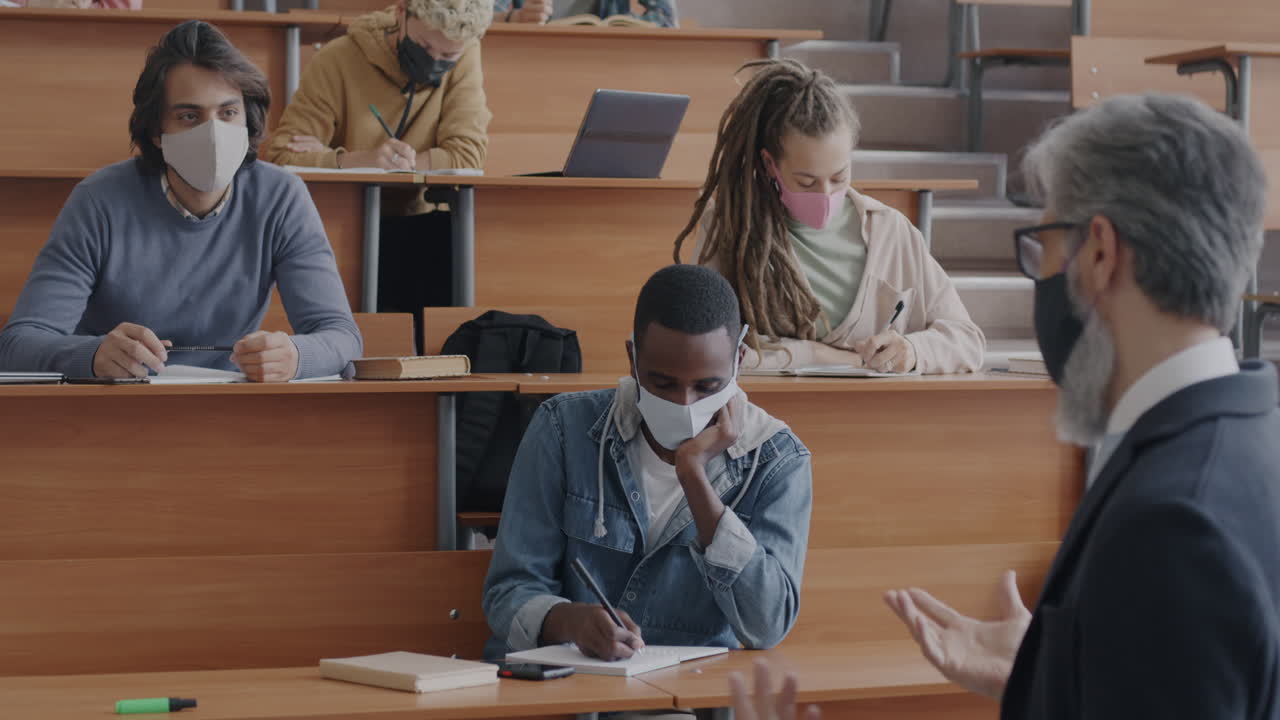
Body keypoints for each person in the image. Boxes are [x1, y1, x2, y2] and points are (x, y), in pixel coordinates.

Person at [749, 93, 1280, 718]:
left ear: (1101, 252)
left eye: (1045, 242)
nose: (1041, 275)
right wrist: (1062, 674)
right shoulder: (1251, 439)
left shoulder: (1174, 527)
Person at [483, 264, 812, 666]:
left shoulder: (777, 461)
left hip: (681, 698)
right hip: (562, 686)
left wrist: (694, 479)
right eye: (663, 384)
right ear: (632, 359)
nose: (685, 404)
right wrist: (570, 621)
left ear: (738, 361)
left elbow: (767, 625)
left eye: (707, 386)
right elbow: (508, 591)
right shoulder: (563, 429)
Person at [0, 20, 361, 381]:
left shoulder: (281, 197)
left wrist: (297, 355)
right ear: (157, 131)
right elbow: (18, 345)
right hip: (115, 403)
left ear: (247, 121)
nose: (214, 133)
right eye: (189, 116)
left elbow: (342, 336)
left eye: (228, 113)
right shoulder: (98, 201)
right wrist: (91, 355)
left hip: (230, 407)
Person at [676, 59, 984, 375]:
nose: (824, 194)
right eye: (806, 181)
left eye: (839, 177)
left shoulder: (891, 231)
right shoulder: (731, 226)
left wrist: (914, 350)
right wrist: (822, 355)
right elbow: (705, 347)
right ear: (770, 164)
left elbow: (967, 340)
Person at [263, 0, 492, 315]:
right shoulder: (339, 57)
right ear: (401, 14)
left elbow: (468, 156)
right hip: (341, 224)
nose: (434, 61)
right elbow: (282, 154)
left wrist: (401, 165)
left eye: (448, 56)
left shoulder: (467, 52)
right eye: (425, 45)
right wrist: (359, 160)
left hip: (422, 223)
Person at [492, 0, 675, 27]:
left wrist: (627, 24)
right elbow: (474, 19)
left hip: (608, 59)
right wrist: (514, 18)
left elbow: (666, 20)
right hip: (531, 57)